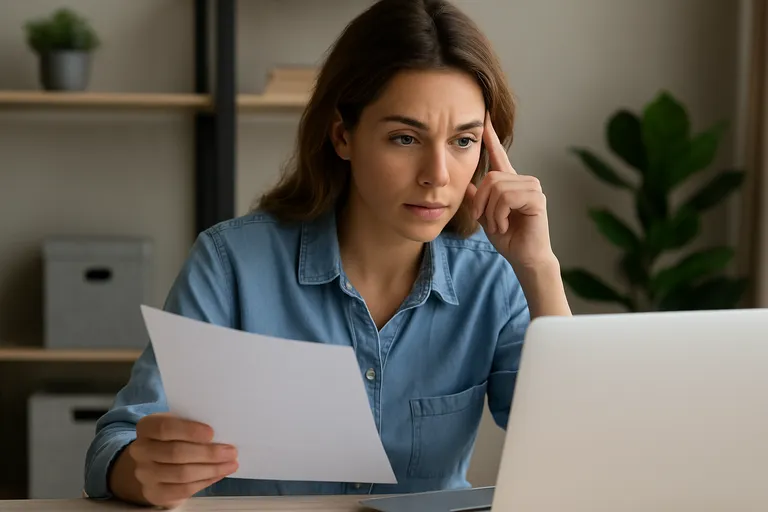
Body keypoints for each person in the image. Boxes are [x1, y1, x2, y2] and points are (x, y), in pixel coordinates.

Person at [83, 0, 572, 508]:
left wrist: (539, 268)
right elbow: (114, 445)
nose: (438, 175)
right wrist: (138, 469)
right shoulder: (232, 264)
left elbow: (572, 447)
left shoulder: (494, 277)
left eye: (463, 140)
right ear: (343, 136)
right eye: (405, 138)